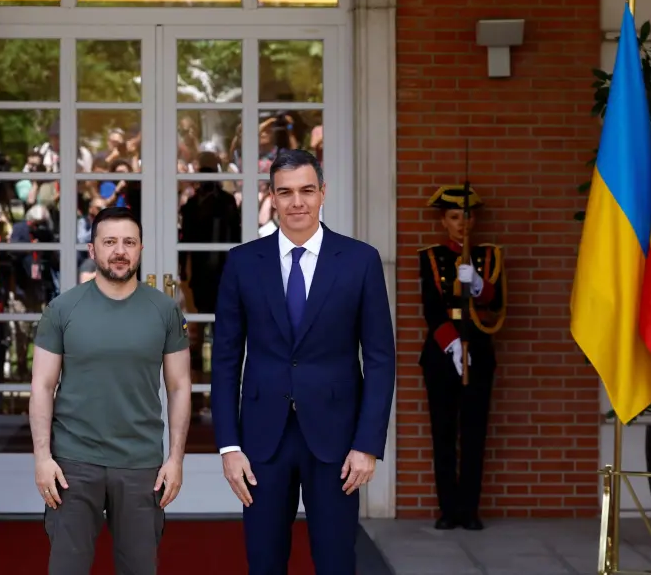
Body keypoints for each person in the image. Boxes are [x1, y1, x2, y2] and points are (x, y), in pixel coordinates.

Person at [211, 149, 396, 575]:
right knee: (264, 561)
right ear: (271, 198)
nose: (297, 202)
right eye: (286, 192)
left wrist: (367, 444)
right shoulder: (242, 263)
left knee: (335, 562)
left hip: (336, 441)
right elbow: (224, 360)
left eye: (307, 191)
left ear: (322, 193)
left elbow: (381, 359)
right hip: (261, 442)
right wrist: (229, 445)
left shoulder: (359, 260)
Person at [28, 207, 192, 575]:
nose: (120, 251)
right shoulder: (62, 308)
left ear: (140, 248)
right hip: (73, 464)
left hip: (140, 464)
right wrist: (42, 459)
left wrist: (176, 459)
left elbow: (180, 386)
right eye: (110, 242)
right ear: (92, 249)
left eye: (129, 242)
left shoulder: (164, 310)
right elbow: (42, 385)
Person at [419, 185, 507, 531]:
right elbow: (431, 308)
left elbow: (496, 302)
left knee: (474, 433)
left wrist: (476, 285)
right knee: (443, 433)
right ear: (444, 221)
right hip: (443, 354)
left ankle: (469, 509)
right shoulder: (429, 256)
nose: (462, 224)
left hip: (479, 351)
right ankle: (448, 509)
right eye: (455, 217)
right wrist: (452, 345)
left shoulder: (489, 257)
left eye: (467, 216)